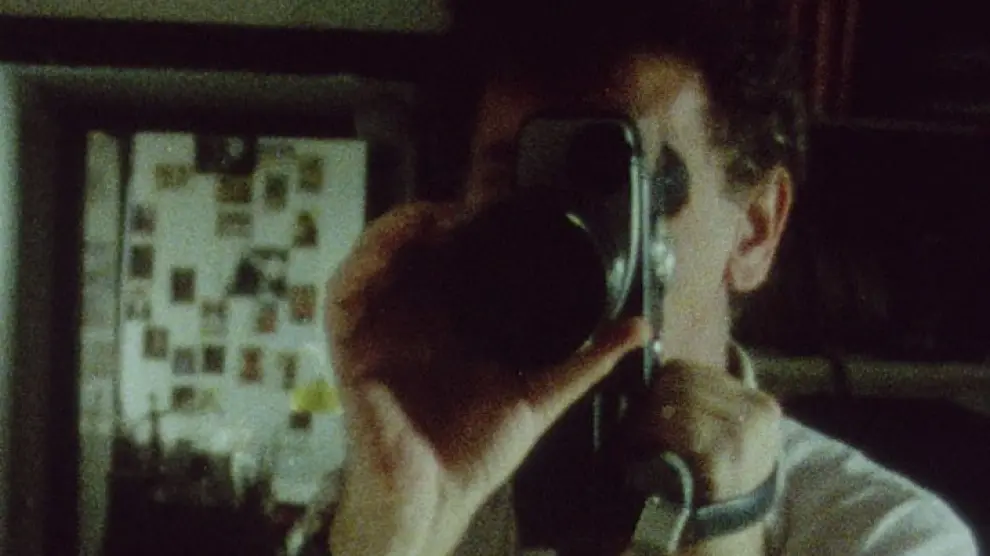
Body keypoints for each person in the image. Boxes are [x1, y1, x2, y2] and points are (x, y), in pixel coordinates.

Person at [312, 1, 980, 554]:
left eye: (617, 191)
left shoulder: (884, 539)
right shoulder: (402, 494)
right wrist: (394, 533)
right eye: (516, 184)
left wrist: (726, 538)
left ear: (755, 230)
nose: (560, 238)